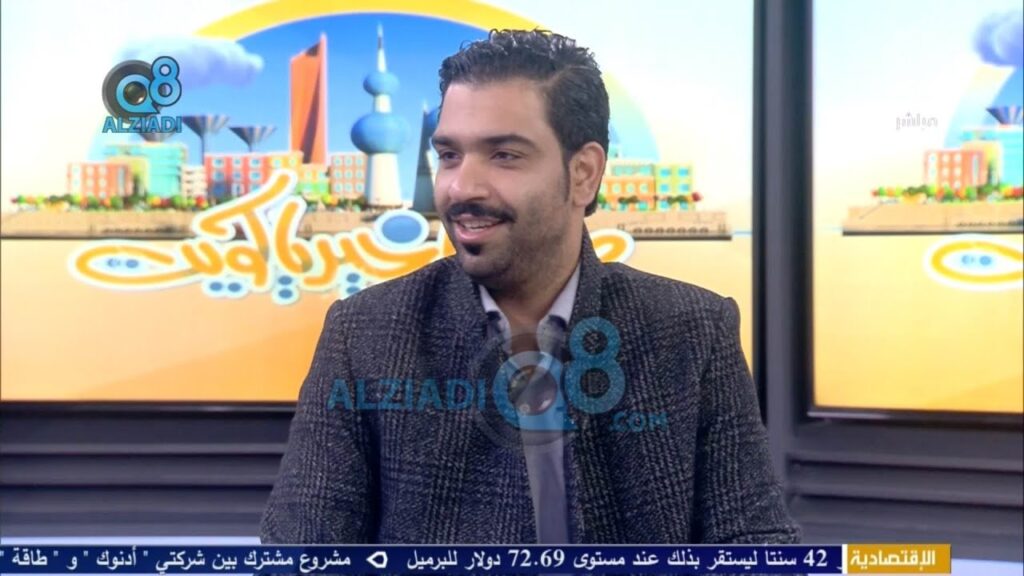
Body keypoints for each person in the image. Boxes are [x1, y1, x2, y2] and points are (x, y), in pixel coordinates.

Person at [261, 28, 800, 545]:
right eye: (449, 155)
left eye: (504, 155)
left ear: (584, 173)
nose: (461, 187)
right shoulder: (364, 333)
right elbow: (300, 553)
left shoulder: (692, 329)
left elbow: (754, 545)